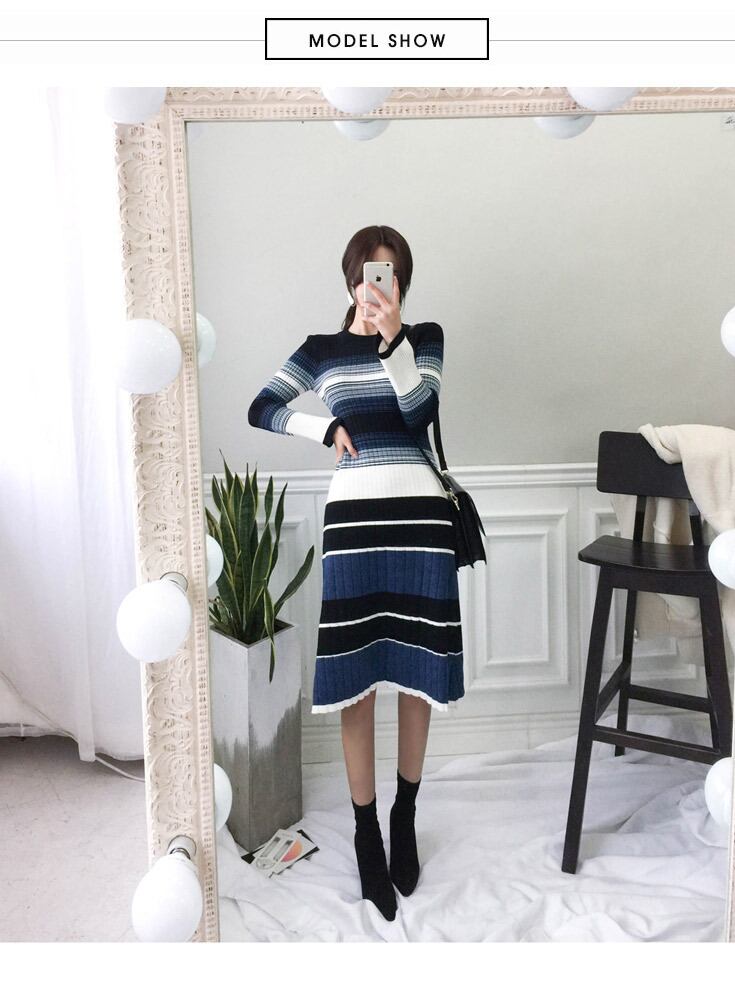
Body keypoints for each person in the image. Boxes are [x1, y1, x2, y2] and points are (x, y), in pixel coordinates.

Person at [248, 224, 464, 920]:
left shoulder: (423, 338)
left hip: (421, 525)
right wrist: (323, 429)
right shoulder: (322, 351)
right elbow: (262, 405)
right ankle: (366, 832)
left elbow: (419, 413)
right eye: (372, 272)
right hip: (354, 528)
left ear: (402, 281)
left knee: (418, 679)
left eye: (392, 273)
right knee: (357, 684)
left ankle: (405, 817)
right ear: (351, 279)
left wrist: (394, 339)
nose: (380, 283)